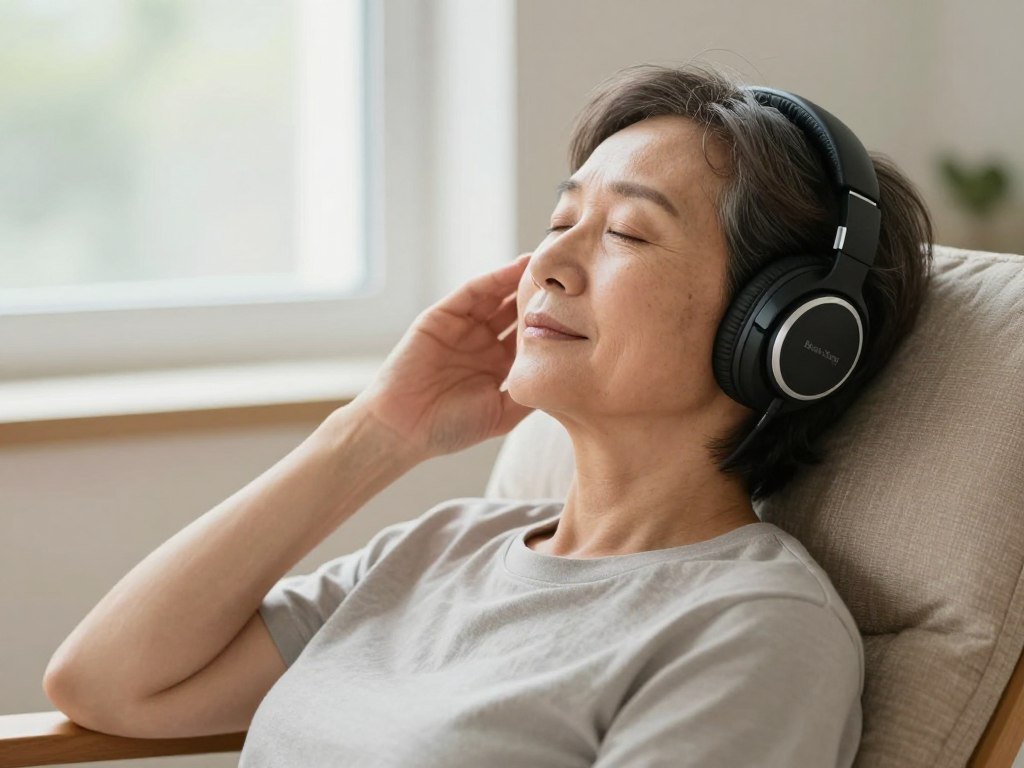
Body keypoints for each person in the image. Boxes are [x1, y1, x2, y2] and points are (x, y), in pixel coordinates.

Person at [43, 62, 933, 767]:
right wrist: (379, 430)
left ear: (782, 330)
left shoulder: (754, 627)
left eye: (624, 233)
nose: (546, 265)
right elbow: (107, 683)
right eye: (559, 218)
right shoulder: (440, 548)